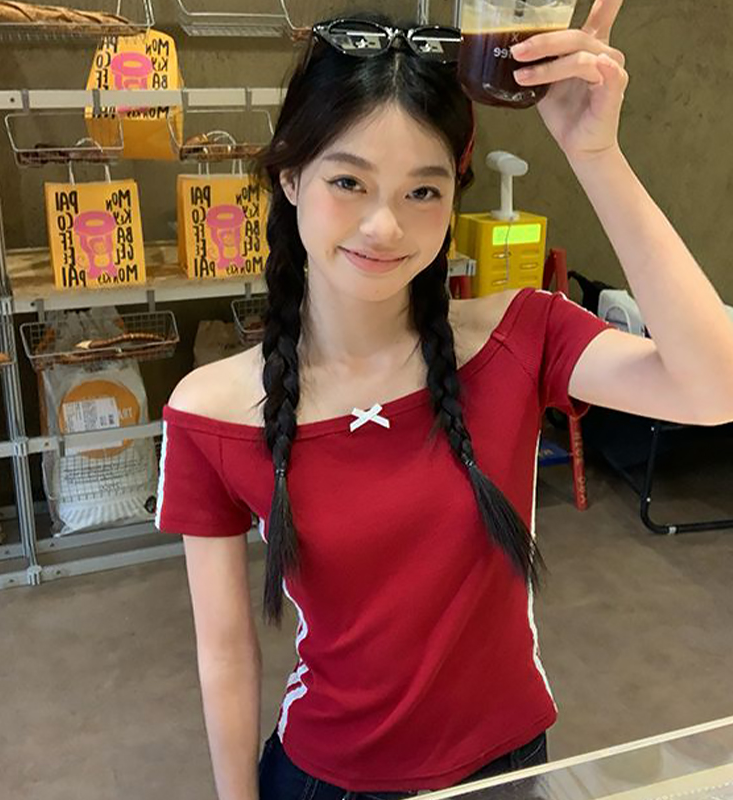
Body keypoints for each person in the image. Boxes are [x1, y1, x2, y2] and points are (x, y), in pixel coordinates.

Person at [156, 2, 733, 798]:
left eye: (423, 191)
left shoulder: (519, 335)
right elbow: (225, 651)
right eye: (348, 181)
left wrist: (594, 153)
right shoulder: (211, 411)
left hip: (507, 770)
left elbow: (714, 387)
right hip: (326, 780)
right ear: (289, 177)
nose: (384, 226)